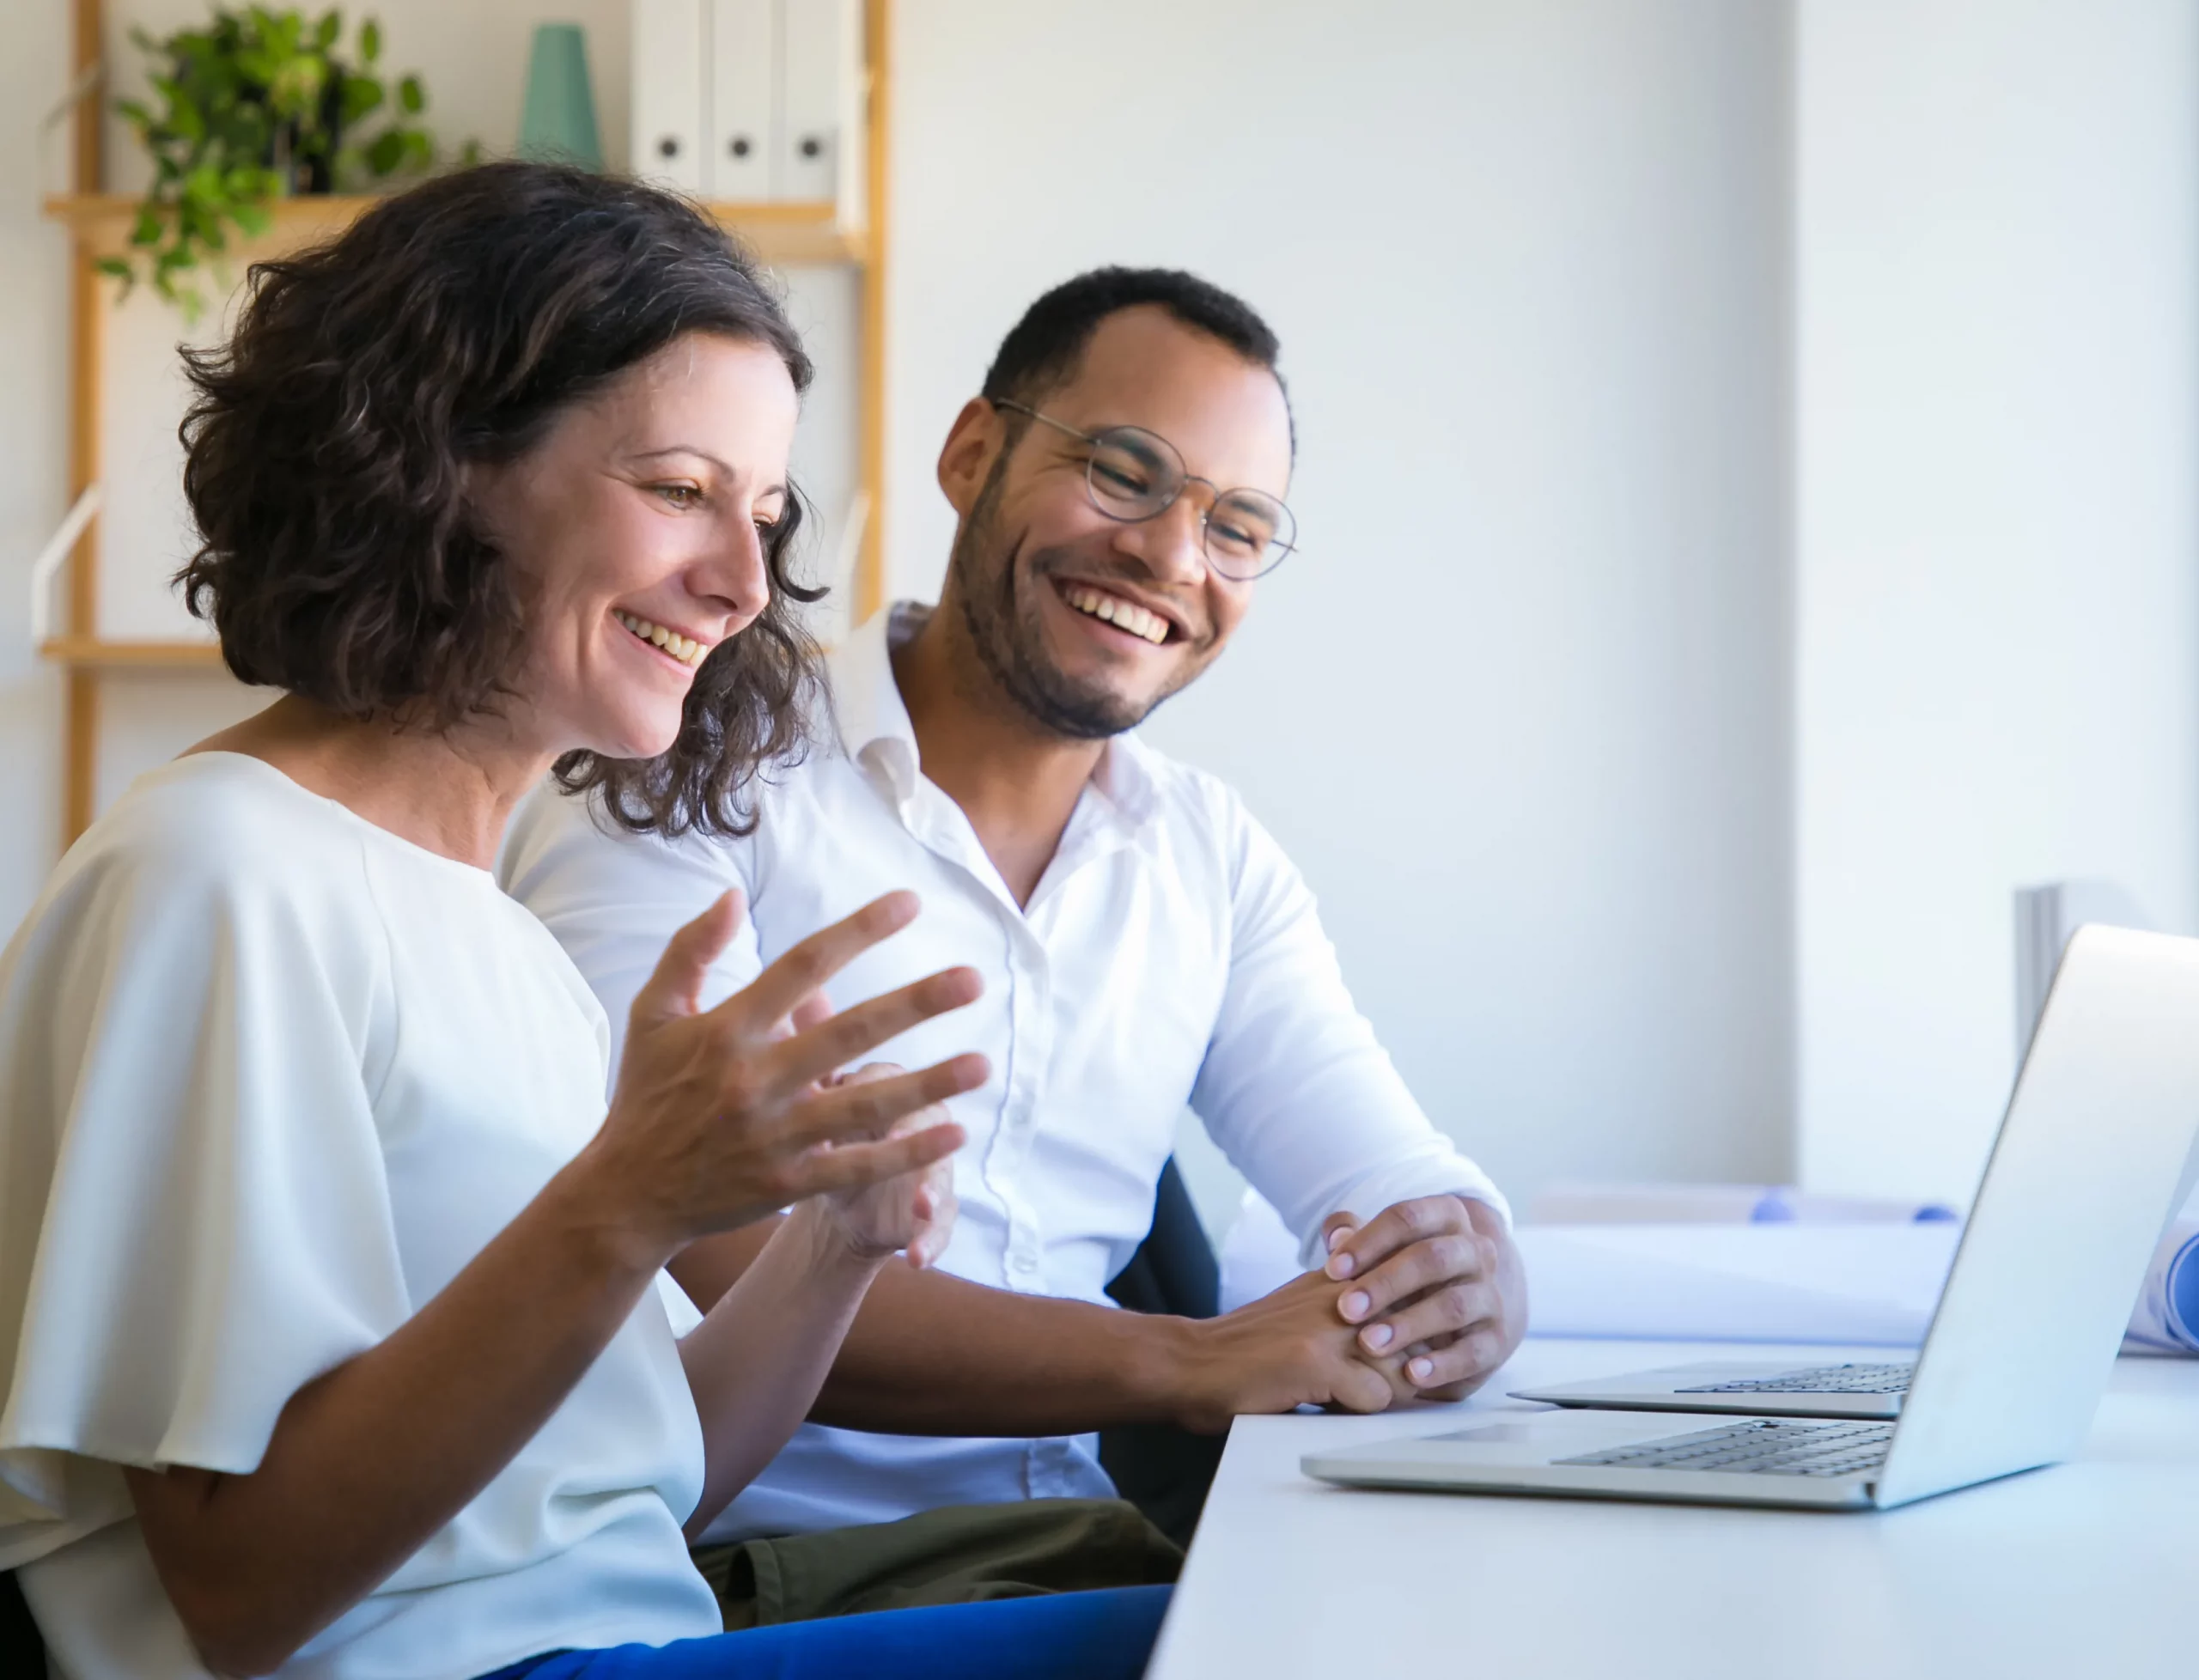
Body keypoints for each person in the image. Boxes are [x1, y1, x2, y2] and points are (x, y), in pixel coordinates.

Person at [0, 165, 1167, 1680]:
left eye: (764, 513)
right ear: (442, 460)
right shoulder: (216, 873)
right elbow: (238, 1590)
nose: (747, 582)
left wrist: (836, 1249)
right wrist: (628, 1198)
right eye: (681, 491)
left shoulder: (493, 932)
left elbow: (631, 1502)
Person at [500, 267, 1531, 1569]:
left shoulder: (1207, 856)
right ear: (974, 452)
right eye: (1124, 469)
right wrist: (1192, 1364)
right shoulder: (686, 775)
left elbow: (1394, 1180)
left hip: (1072, 1551)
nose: (1168, 556)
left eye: (1238, 527)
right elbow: (703, 1252)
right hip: (746, 1575)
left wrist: (1466, 1271)